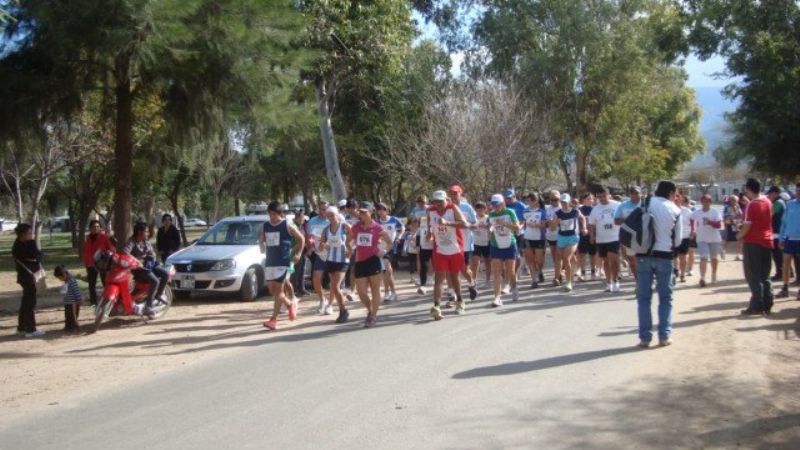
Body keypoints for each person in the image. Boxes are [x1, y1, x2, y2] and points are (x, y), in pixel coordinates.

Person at [635, 181, 683, 348]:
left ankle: (645, 338)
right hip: (664, 255)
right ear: (671, 193)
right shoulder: (676, 210)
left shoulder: (645, 202)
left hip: (643, 254)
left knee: (643, 299)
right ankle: (664, 336)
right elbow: (677, 241)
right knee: (665, 298)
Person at [259, 201, 304, 330]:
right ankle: (290, 305)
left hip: (283, 262)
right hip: (270, 262)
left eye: (273, 213)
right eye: (269, 213)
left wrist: (299, 254)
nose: (271, 216)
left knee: (278, 292)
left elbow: (301, 238)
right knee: (272, 291)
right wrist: (261, 245)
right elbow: (261, 239)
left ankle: (273, 320)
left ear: (279, 213)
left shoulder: (287, 224)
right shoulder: (265, 225)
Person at [351, 201, 393, 328]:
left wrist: (383, 251)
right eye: (360, 212)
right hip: (360, 262)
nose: (361, 215)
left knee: (375, 290)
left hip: (374, 261)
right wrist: (350, 248)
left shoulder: (378, 228)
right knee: (361, 292)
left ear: (371, 213)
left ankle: (373, 315)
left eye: (364, 212)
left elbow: (390, 243)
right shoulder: (355, 227)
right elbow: (349, 241)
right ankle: (370, 310)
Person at [427, 190, 469, 319]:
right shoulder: (430, 210)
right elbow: (429, 225)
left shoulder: (453, 208)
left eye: (441, 201)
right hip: (440, 249)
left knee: (454, 276)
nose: (438, 203)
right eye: (435, 201)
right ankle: (436, 306)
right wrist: (429, 233)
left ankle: (460, 301)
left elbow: (464, 224)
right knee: (439, 277)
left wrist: (448, 223)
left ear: (446, 200)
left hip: (455, 248)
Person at [738, 178, 774, 315]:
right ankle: (768, 301)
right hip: (767, 240)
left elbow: (747, 225)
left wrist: (739, 235)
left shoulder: (751, 205)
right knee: (765, 274)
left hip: (753, 241)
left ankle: (757, 304)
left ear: (748, 189)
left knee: (753, 275)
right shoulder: (767, 201)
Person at [123, 222, 169, 318]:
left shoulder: (146, 241)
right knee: (155, 281)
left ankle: (159, 294)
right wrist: (137, 260)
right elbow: (125, 252)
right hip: (138, 269)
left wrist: (150, 257)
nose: (147, 233)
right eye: (146, 232)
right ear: (139, 232)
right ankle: (149, 306)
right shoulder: (132, 241)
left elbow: (152, 253)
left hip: (149, 265)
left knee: (165, 274)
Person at [488, 194, 522, 306]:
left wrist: (504, 224)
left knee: (510, 271)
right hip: (496, 245)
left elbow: (517, 228)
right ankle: (497, 298)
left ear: (503, 203)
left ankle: (514, 288)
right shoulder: (491, 214)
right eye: (493, 205)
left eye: (497, 205)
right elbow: (491, 227)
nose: (495, 207)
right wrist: (490, 230)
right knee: (496, 272)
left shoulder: (510, 212)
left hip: (510, 245)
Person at [12, 224, 45, 338]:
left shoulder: (30, 242)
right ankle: (31, 329)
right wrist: (35, 257)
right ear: (22, 234)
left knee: (26, 302)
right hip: (25, 277)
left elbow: (39, 255)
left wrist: (36, 256)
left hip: (32, 275)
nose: (31, 235)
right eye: (29, 233)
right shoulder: (17, 246)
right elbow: (32, 255)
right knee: (30, 302)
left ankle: (21, 327)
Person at [551, 193, 587, 292]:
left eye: (565, 202)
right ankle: (558, 277)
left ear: (569, 202)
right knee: (560, 258)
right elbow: (553, 228)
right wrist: (555, 222)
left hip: (572, 237)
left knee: (566, 259)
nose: (564, 204)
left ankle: (569, 282)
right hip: (561, 237)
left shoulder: (575, 211)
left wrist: (584, 227)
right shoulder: (558, 213)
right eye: (562, 202)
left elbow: (582, 218)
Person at [588, 187, 621, 292]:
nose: (601, 198)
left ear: (608, 195)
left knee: (614, 259)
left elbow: (624, 218)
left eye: (603, 196)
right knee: (606, 261)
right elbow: (591, 224)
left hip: (615, 237)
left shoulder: (617, 205)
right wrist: (592, 236)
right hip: (601, 238)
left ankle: (615, 280)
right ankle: (609, 282)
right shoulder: (596, 209)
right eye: (599, 197)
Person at [449, 185, 478, 301]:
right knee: (452, 270)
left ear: (460, 193)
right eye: (451, 193)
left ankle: (471, 283)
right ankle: (453, 294)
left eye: (455, 193)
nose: (453, 196)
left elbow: (475, 224)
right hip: (451, 243)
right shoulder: (447, 207)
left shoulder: (467, 207)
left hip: (465, 243)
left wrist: (467, 225)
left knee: (464, 270)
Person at [691, 194, 724, 287]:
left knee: (714, 258)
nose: (706, 203)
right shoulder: (697, 212)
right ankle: (702, 278)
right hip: (702, 238)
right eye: (704, 201)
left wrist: (710, 222)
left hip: (714, 239)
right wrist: (693, 230)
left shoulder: (715, 212)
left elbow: (719, 225)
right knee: (703, 257)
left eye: (708, 201)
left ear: (710, 202)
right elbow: (692, 220)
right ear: (701, 202)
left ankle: (714, 274)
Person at [375, 202, 404, 303]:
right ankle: (389, 292)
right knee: (386, 272)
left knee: (388, 269)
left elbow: (402, 228)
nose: (379, 212)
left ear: (386, 210)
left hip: (391, 248)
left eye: (381, 209)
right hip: (380, 249)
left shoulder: (394, 219)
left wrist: (399, 237)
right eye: (378, 210)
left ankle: (391, 292)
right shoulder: (377, 222)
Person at [306, 201, 331, 314]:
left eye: (324, 209)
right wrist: (310, 247)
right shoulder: (312, 221)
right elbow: (310, 237)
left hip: (332, 254)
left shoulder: (332, 220)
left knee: (334, 282)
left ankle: (331, 304)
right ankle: (322, 299)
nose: (322, 212)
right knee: (316, 278)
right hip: (319, 254)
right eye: (320, 209)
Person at [82, 219, 114, 306]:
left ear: (100, 228)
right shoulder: (88, 238)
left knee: (105, 282)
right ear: (90, 228)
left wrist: (107, 256)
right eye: (93, 227)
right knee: (92, 284)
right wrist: (86, 263)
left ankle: (107, 301)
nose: (96, 228)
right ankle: (93, 302)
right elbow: (86, 251)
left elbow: (110, 248)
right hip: (91, 264)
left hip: (102, 264)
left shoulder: (104, 236)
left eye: (97, 227)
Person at [777, 182, 800, 299]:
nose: (798, 193)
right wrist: (782, 238)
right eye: (797, 190)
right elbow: (784, 223)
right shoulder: (790, 204)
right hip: (790, 239)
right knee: (785, 263)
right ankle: (785, 288)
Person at [615, 186, 642, 281]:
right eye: (632, 193)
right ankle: (638, 281)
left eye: (637, 193)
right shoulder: (623, 205)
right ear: (629, 194)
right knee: (632, 260)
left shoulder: (646, 205)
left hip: (644, 237)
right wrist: (628, 220)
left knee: (643, 260)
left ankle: (645, 280)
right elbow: (616, 220)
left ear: (640, 193)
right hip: (629, 237)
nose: (634, 195)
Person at [522, 193, 547, 289]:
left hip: (539, 238)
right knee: (530, 259)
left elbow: (544, 225)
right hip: (527, 237)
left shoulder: (542, 211)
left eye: (530, 200)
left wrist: (537, 225)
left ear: (536, 201)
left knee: (539, 260)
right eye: (527, 201)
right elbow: (523, 224)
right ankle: (534, 280)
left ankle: (539, 271)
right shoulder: (525, 211)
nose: (528, 202)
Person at [503, 189, 528, 276]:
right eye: (506, 198)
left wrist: (519, 228)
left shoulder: (521, 206)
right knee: (513, 253)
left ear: (514, 196)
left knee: (520, 252)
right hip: (507, 233)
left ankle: (521, 267)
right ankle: (513, 271)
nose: (508, 200)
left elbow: (524, 219)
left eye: (510, 198)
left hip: (519, 232)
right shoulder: (504, 206)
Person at [673, 192, 694, 284]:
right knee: (673, 256)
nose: (677, 200)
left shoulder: (687, 211)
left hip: (685, 236)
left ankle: (682, 274)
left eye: (679, 198)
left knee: (683, 256)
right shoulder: (669, 210)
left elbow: (693, 221)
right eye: (675, 198)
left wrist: (693, 230)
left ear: (681, 200)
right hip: (673, 236)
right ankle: (675, 270)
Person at [470, 201, 492, 289]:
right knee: (475, 262)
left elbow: (493, 227)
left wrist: (486, 227)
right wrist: (473, 226)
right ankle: (474, 281)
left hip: (487, 242)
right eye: (478, 209)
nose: (480, 210)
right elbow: (469, 226)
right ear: (475, 209)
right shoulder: (473, 218)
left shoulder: (488, 218)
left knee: (488, 262)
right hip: (475, 242)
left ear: (485, 209)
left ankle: (487, 280)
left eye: (482, 208)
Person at [577, 193, 598, 281]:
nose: (590, 200)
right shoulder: (579, 210)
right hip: (583, 235)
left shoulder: (595, 209)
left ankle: (593, 272)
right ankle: (582, 272)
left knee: (593, 254)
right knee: (582, 254)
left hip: (594, 234)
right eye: (588, 199)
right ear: (583, 200)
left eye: (592, 199)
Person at [767, 186, 787, 281]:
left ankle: (780, 273)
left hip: (778, 232)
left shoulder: (778, 203)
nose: (769, 196)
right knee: (780, 254)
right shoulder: (780, 202)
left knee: (777, 254)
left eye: (770, 193)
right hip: (777, 231)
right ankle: (787, 272)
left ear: (776, 193)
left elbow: (769, 214)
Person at [54, 265, 82, 332]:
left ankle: (74, 327)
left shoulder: (71, 281)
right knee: (68, 315)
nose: (60, 279)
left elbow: (76, 290)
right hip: (67, 302)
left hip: (73, 303)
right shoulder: (67, 281)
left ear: (64, 274)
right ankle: (68, 326)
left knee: (73, 316)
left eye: (60, 278)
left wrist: (79, 299)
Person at [545, 190, 562, 285]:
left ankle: (557, 276)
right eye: (552, 199)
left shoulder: (562, 208)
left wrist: (555, 223)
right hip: (550, 236)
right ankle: (559, 273)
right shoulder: (547, 209)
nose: (555, 201)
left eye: (557, 199)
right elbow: (544, 222)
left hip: (561, 235)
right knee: (555, 256)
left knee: (560, 256)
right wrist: (549, 223)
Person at [291, 209, 309, 297]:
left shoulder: (301, 226)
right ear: (298, 217)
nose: (303, 220)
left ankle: (302, 289)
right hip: (295, 252)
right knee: (295, 272)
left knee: (302, 271)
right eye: (302, 218)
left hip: (303, 251)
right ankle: (294, 290)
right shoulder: (293, 226)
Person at [723, 195, 743, 260]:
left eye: (736, 200)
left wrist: (738, 213)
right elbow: (726, 216)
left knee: (739, 240)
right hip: (730, 224)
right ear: (730, 201)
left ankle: (738, 255)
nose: (734, 202)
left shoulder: (738, 206)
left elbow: (741, 215)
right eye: (733, 200)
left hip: (737, 224)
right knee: (728, 240)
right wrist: (732, 216)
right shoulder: (727, 207)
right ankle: (723, 251)